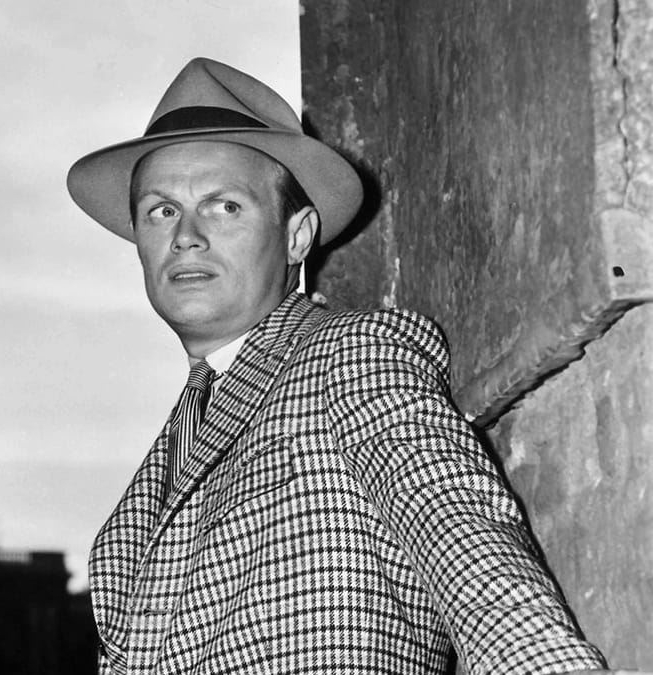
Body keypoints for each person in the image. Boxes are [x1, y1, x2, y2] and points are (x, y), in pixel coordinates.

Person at [66, 57, 631, 674]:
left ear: (297, 236)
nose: (186, 236)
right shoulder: (171, 448)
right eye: (162, 211)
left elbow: (469, 552)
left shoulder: (353, 355)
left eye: (224, 206)